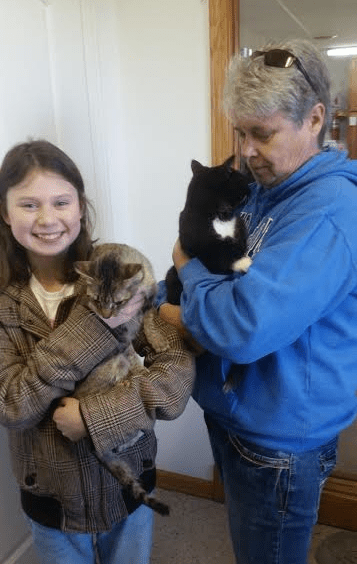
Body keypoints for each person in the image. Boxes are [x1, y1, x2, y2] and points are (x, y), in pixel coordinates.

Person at [158, 38, 357, 564]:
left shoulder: (328, 212)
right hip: (242, 417)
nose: (246, 151)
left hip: (278, 444)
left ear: (315, 119)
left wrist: (183, 268)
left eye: (262, 134)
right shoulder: (271, 189)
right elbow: (221, 265)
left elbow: (241, 327)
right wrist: (160, 294)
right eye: (240, 133)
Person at [0, 139, 195, 564]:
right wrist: (94, 327)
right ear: (5, 212)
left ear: (81, 208)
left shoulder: (120, 272)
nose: (48, 219)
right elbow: (12, 404)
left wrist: (94, 416)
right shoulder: (5, 303)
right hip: (49, 498)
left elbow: (176, 376)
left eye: (61, 202)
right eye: (29, 205)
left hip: (127, 482)